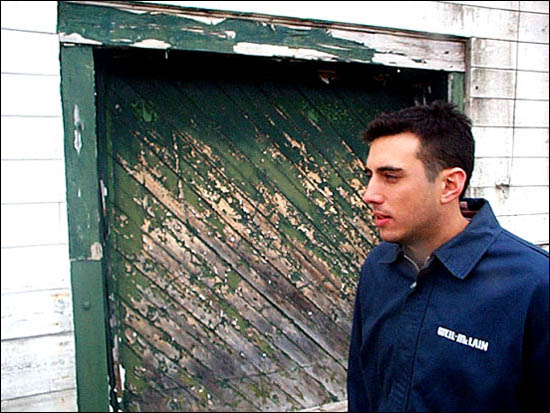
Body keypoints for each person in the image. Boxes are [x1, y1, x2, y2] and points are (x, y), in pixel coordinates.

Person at [347, 101, 549, 412]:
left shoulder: (533, 284)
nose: (369, 194)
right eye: (369, 175)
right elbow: (362, 387)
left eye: (390, 176)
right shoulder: (378, 266)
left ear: (449, 185)